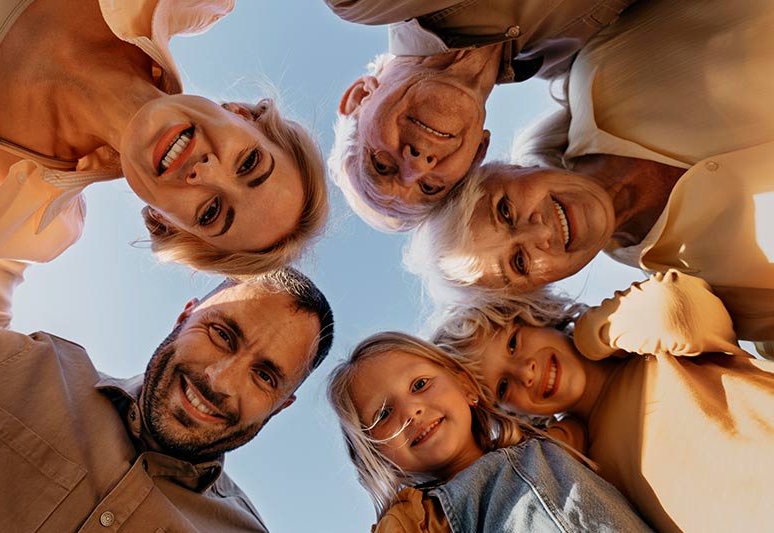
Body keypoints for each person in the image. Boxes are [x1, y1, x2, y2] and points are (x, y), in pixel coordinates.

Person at [405, 0, 774, 345]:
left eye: (505, 211)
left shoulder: (605, 64)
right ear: (542, 287)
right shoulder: (705, 296)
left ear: (508, 169)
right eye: (519, 262)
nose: (539, 232)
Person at [0, 0, 328, 303]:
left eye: (210, 212)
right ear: (242, 113)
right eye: (249, 162)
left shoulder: (31, 221)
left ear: (164, 221)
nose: (204, 173)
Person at [0, 265, 334, 531]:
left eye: (264, 376)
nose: (219, 380)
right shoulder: (16, 362)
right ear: (183, 317)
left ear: (281, 406)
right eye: (222, 335)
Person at [434, 270, 774, 532]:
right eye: (504, 388)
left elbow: (678, 310)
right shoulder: (579, 458)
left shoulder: (646, 347)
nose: (526, 372)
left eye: (513, 343)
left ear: (537, 317)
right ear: (509, 413)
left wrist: (590, 332)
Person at [326, 0, 638, 231]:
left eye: (381, 165)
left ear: (360, 97)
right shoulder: (577, 60)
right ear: (478, 152)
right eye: (431, 187)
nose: (417, 164)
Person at [328, 331, 651, 532]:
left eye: (420, 384)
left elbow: (589, 402)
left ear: (466, 386)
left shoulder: (543, 443)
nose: (411, 412)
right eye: (384, 414)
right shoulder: (416, 521)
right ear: (379, 458)